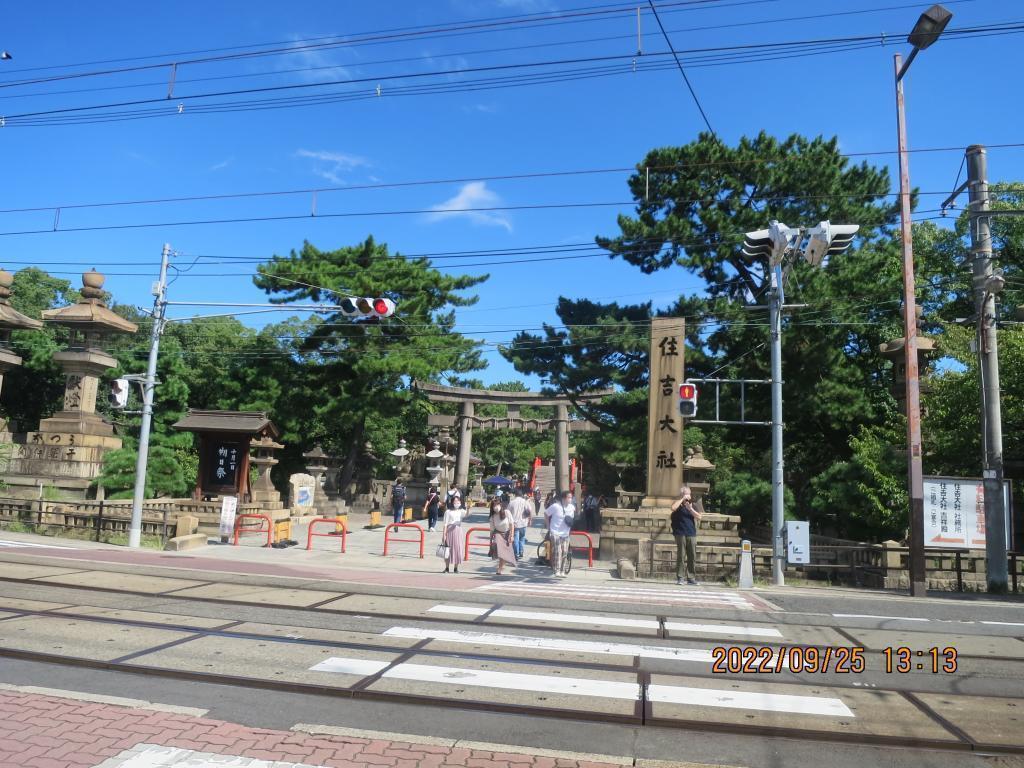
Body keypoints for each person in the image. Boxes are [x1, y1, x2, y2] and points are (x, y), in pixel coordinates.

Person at [670, 485, 701, 585]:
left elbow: (699, 517)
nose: (689, 496)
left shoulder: (693, 505)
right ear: (682, 495)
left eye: (689, 494)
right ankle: (680, 577)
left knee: (692, 556)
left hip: (691, 533)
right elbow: (673, 508)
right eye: (687, 494)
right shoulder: (678, 504)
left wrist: (690, 509)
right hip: (680, 533)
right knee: (681, 556)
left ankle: (691, 578)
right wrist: (682, 499)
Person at [545, 490, 574, 577]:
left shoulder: (572, 507)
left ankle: (563, 570)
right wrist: (548, 526)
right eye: (569, 497)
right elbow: (546, 513)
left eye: (571, 498)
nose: (571, 499)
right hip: (555, 532)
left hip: (565, 533)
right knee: (558, 551)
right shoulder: (556, 506)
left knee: (565, 552)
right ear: (564, 498)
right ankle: (556, 570)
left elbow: (572, 518)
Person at [488, 497, 515, 576]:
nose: (495, 507)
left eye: (497, 504)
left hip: (506, 533)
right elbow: (492, 530)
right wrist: (490, 541)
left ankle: (500, 567)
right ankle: (500, 567)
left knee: (504, 553)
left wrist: (512, 535)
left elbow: (511, 524)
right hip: (497, 533)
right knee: (500, 552)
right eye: (494, 505)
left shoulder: (507, 512)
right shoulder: (492, 517)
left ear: (500, 505)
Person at [442, 492, 465, 574]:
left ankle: (456, 568)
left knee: (458, 549)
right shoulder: (448, 512)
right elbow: (445, 524)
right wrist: (444, 534)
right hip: (449, 530)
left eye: (458, 502)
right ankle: (447, 567)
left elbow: (466, 514)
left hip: (458, 530)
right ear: (452, 502)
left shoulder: (461, 511)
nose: (457, 503)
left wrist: (468, 508)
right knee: (448, 549)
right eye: (455, 502)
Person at [507, 487, 532, 560]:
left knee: (516, 539)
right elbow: (530, 511)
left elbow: (508, 512)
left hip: (515, 524)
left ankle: (516, 553)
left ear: (515, 495)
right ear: (522, 495)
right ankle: (521, 551)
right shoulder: (525, 502)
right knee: (522, 538)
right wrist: (530, 520)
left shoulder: (512, 502)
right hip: (524, 523)